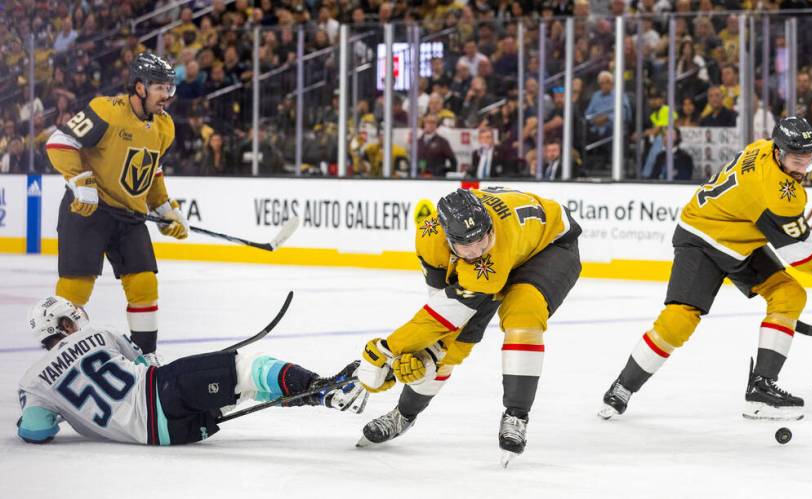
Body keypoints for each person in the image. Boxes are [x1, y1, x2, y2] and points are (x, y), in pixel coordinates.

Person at [599, 117, 812, 422]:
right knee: (679, 319)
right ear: (778, 153)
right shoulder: (775, 191)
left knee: (789, 295)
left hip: (738, 239)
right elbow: (799, 251)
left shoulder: (762, 148)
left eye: (808, 159)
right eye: (795, 159)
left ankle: (761, 389)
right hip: (702, 237)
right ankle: (623, 386)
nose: (802, 168)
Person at [354, 187, 582, 465]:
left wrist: (386, 350)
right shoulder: (429, 236)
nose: (476, 250)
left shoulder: (494, 251)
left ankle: (516, 415)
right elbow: (440, 307)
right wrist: (423, 352)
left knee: (523, 314)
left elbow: (448, 315)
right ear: (448, 238)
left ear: (488, 226)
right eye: (466, 245)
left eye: (481, 239)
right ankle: (404, 414)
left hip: (551, 248)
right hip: (514, 245)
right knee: (444, 348)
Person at [16, 296, 364, 446]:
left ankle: (324, 397)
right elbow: (148, 364)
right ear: (63, 323)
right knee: (248, 369)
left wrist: (64, 408)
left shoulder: (34, 382)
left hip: (168, 435)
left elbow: (35, 430)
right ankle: (324, 387)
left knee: (242, 391)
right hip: (162, 393)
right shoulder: (98, 334)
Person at [44, 53, 190, 366]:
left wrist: (166, 209)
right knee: (75, 291)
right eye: (160, 88)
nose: (167, 96)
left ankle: (144, 361)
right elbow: (60, 142)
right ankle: (62, 362)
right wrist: (80, 181)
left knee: (144, 286)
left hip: (129, 216)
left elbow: (151, 172)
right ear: (139, 87)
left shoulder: (165, 127)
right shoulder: (106, 110)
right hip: (88, 212)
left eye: (170, 89)